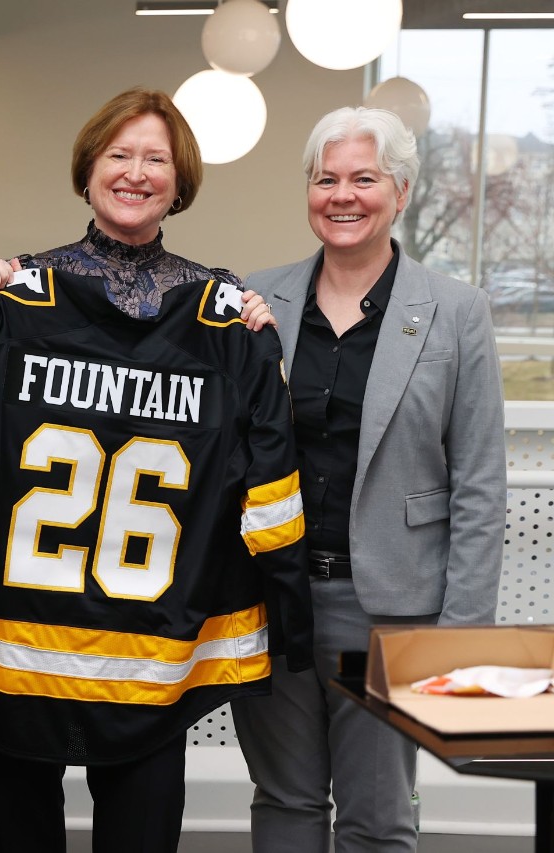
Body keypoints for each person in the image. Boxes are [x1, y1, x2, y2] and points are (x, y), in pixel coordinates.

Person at [0, 87, 280, 852]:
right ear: (88, 168)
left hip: (153, 645)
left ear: (181, 181)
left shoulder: (223, 316)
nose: (136, 173)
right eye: (120, 155)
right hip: (23, 640)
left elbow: (259, 470)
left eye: (156, 159)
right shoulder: (14, 298)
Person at [229, 106, 506, 853]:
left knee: (379, 819)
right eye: (325, 179)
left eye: (363, 178)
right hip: (274, 597)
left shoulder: (456, 311)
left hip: (391, 609)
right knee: (283, 800)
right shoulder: (260, 299)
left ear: (403, 192)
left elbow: (480, 484)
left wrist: (460, 638)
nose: (342, 195)